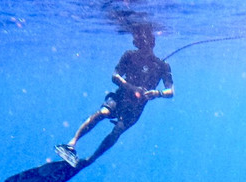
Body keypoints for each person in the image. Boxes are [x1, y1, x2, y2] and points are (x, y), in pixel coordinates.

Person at [55, 24, 174, 170]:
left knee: (117, 131)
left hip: (136, 107)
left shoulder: (162, 66)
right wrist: (132, 88)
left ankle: (90, 159)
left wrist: (157, 93)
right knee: (102, 113)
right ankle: (71, 144)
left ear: (152, 42)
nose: (143, 46)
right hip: (120, 97)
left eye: (145, 42)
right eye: (140, 42)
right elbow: (115, 76)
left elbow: (170, 91)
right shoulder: (129, 56)